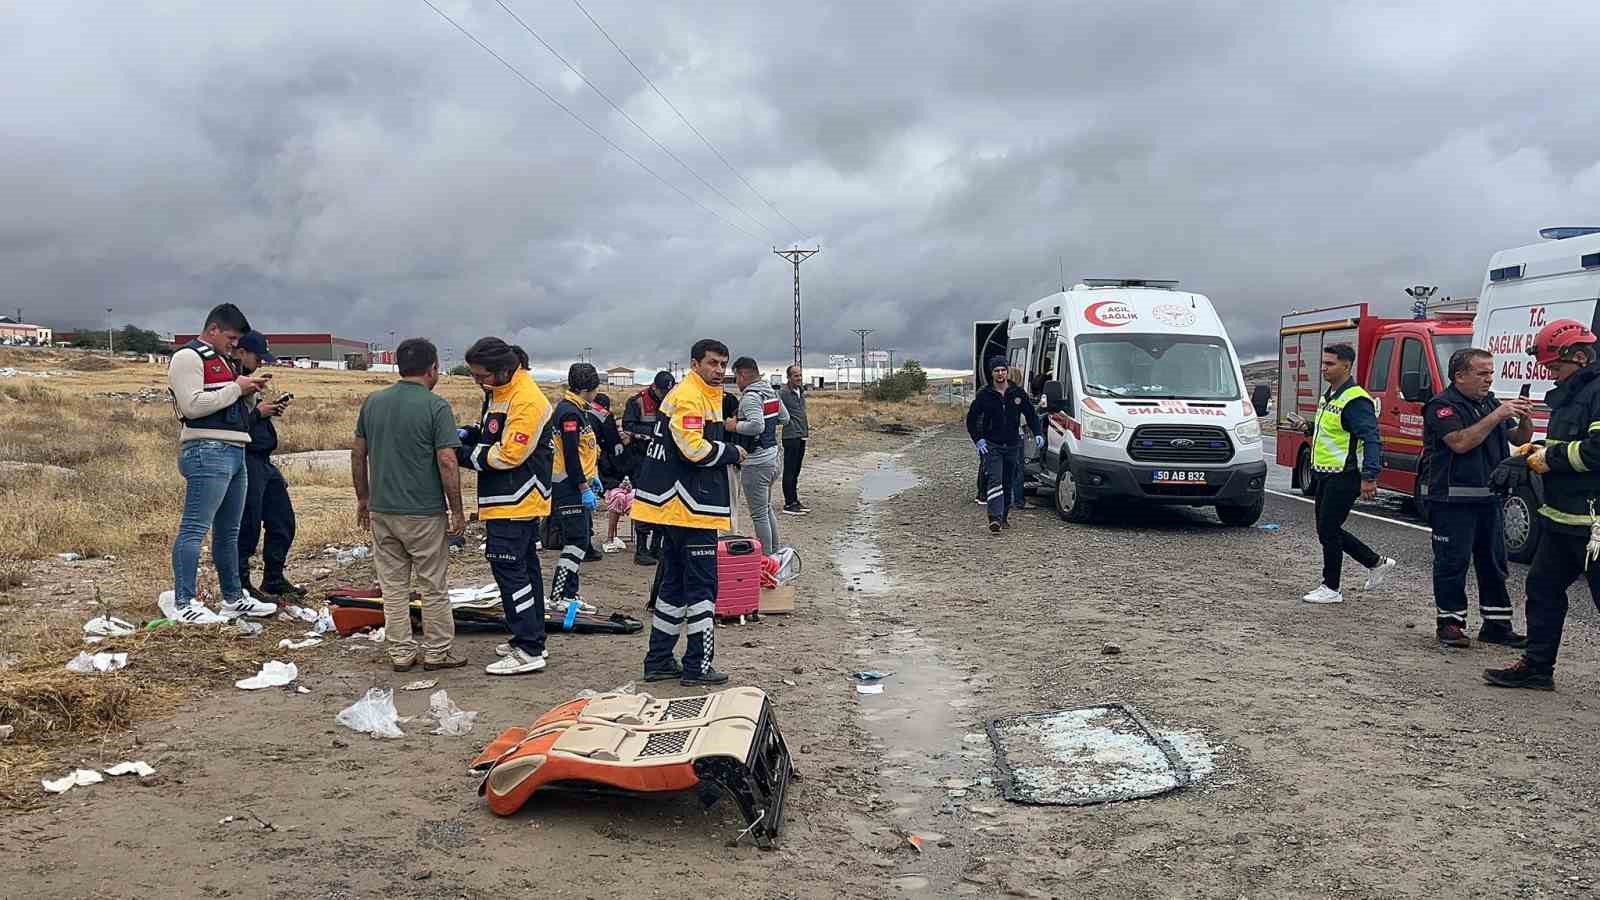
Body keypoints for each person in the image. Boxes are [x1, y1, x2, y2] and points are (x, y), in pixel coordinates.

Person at [1485, 320, 1600, 690]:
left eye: (1555, 367)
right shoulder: (1574, 394)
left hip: (1593, 523)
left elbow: (1596, 450)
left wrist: (1549, 459)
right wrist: (1532, 453)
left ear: (1580, 357)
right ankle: (1536, 667)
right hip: (1563, 518)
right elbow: (1570, 445)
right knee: (1543, 588)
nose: (1551, 374)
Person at [634, 338, 745, 686]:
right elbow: (693, 449)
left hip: (677, 506)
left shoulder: (699, 395)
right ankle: (698, 664)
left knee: (674, 587)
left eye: (723, 364)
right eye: (713, 363)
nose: (720, 370)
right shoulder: (690, 397)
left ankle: (659, 660)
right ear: (695, 364)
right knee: (701, 588)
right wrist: (731, 452)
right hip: (690, 507)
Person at [351, 338, 467, 671]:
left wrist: (363, 498)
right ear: (434, 368)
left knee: (393, 586)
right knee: (432, 584)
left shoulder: (373, 402)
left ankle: (401, 652)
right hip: (424, 513)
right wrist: (455, 509)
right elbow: (447, 459)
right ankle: (437, 651)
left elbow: (358, 453)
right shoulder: (436, 406)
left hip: (382, 511)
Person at [162, 303, 278, 624]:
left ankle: (233, 597)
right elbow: (193, 405)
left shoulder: (225, 362)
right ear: (213, 329)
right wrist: (235, 388)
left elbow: (228, 402)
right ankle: (185, 601)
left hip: (235, 449)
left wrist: (248, 392)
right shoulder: (189, 357)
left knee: (229, 531)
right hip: (206, 448)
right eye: (230, 337)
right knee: (194, 529)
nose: (234, 344)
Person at [458, 337, 557, 676]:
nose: (477, 381)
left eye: (480, 375)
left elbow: (509, 454)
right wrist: (469, 434)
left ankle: (529, 647)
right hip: (505, 497)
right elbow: (493, 432)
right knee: (524, 568)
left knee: (509, 568)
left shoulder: (526, 399)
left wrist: (461, 455)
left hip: (517, 498)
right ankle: (529, 635)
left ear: (502, 370)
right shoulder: (499, 392)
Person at [1423, 348, 1533, 648]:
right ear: (1460, 376)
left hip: (1490, 499)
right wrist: (1497, 415)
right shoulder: (1442, 406)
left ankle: (1497, 625)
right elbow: (1460, 443)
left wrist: (1523, 418)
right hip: (1452, 500)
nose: (1489, 379)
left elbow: (1519, 440)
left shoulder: (1490, 402)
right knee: (1452, 562)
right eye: (1482, 373)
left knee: (1494, 563)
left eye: (1491, 373)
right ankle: (1450, 623)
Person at [1295, 343, 1397, 604]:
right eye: (1323, 363)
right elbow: (1334, 431)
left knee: (1328, 529)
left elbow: (1371, 438)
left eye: (1329, 364)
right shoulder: (1330, 395)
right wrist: (1307, 426)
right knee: (1326, 529)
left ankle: (1332, 587)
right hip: (1326, 472)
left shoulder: (1355, 399)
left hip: (1345, 474)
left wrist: (1369, 477)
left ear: (1346, 366)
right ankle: (1374, 562)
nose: (1324, 368)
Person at [233, 332, 303, 599]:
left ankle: (273, 578)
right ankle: (240, 585)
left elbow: (247, 416)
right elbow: (228, 422)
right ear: (241, 352)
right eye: (257, 357)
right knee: (247, 524)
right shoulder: (227, 381)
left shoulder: (248, 382)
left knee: (282, 519)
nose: (259, 363)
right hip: (244, 459)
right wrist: (257, 414)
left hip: (263, 460)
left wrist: (266, 410)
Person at [550, 363, 604, 613]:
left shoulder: (576, 409)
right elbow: (570, 455)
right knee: (576, 542)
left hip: (578, 482)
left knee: (579, 540)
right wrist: (583, 486)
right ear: (588, 389)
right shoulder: (570, 413)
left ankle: (570, 593)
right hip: (569, 487)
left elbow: (584, 451)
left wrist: (592, 476)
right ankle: (559, 594)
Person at [966, 356, 1042, 533]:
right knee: (995, 480)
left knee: (1008, 482)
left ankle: (1004, 516)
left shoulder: (1017, 393)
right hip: (992, 445)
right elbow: (971, 419)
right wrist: (978, 439)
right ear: (992, 373)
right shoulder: (985, 395)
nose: (1000, 374)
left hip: (1012, 445)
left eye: (1002, 370)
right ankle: (994, 518)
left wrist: (1038, 432)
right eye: (996, 371)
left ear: (1007, 372)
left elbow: (1030, 415)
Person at [729, 357, 790, 555]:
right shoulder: (770, 392)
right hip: (773, 457)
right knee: (766, 508)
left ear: (743, 374)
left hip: (756, 462)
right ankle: (775, 552)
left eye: (736, 377)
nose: (736, 382)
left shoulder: (751, 397)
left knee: (758, 514)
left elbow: (757, 425)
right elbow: (784, 418)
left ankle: (766, 558)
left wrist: (734, 426)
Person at [623, 371, 674, 564]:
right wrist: (654, 433)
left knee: (663, 503)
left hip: (664, 460)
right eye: (662, 392)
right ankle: (641, 549)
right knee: (644, 505)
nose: (665, 396)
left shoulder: (672, 400)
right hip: (641, 461)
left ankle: (656, 546)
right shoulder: (636, 402)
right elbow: (628, 427)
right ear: (654, 387)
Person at [779, 364, 811, 516]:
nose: (798, 378)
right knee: (790, 470)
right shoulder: (784, 393)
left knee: (796, 470)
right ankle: (789, 503)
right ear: (789, 377)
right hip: (790, 436)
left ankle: (795, 500)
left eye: (800, 375)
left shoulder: (800, 391)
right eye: (795, 376)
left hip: (801, 435)